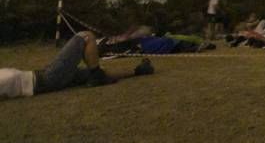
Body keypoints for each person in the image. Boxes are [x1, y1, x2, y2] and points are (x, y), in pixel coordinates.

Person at [1, 31, 154, 100]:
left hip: (41, 76)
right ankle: (96, 75)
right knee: (85, 36)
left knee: (95, 73)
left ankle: (138, 71)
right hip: (46, 80)